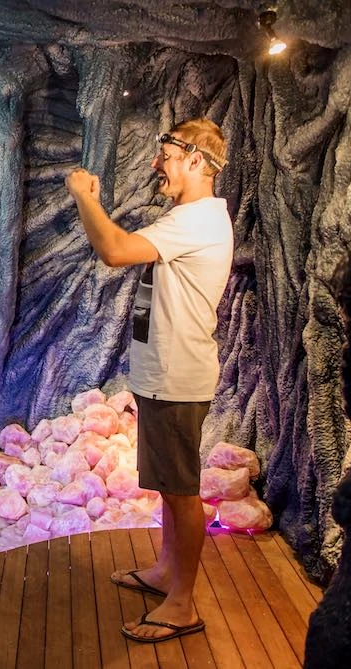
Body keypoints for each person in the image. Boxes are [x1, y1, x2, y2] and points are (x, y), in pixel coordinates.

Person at [66, 118, 232, 643]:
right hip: (164, 376)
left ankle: (182, 604)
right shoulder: (189, 217)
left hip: (179, 380)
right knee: (167, 481)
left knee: (182, 491)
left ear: (196, 161)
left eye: (166, 154)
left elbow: (114, 249)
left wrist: (84, 197)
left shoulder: (197, 220)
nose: (157, 164)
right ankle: (165, 572)